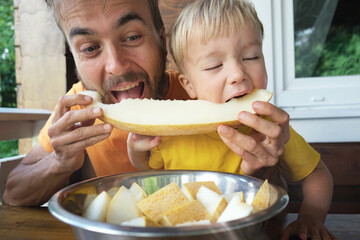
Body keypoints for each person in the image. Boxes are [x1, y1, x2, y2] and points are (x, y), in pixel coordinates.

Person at [127, 1, 335, 240]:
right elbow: (148, 168)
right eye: (215, 65)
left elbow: (317, 175)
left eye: (251, 57)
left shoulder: (271, 128)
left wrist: (310, 217)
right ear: (189, 86)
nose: (238, 74)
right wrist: (135, 149)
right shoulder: (174, 131)